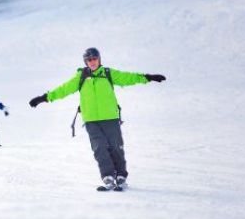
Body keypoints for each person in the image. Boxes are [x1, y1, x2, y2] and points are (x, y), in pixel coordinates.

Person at [29, 47, 166, 189]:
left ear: (99, 59)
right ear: (85, 62)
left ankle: (120, 176)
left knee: (116, 147)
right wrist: (43, 98)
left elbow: (128, 78)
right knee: (99, 148)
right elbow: (63, 90)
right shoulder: (81, 77)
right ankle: (107, 176)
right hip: (91, 120)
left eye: (94, 59)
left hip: (110, 118)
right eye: (89, 60)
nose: (92, 62)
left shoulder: (108, 74)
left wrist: (148, 77)